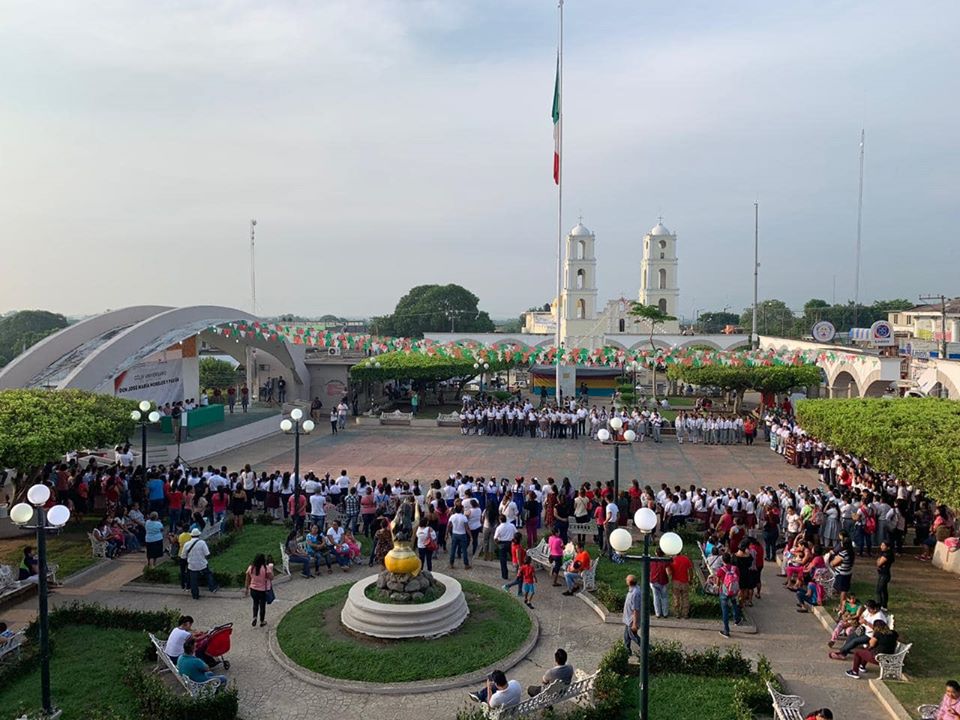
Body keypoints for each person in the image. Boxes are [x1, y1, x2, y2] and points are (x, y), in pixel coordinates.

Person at [182, 528, 218, 599]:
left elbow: (183, 556)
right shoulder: (202, 543)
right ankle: (212, 588)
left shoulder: (186, 544)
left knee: (194, 581)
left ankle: (195, 595)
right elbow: (207, 553)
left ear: (191, 535)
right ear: (198, 535)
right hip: (202, 564)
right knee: (208, 575)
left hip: (192, 565)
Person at [244, 553, 274, 627]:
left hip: (253, 589)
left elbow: (247, 579)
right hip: (262, 590)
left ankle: (254, 617)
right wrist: (271, 569)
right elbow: (271, 577)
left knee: (255, 603)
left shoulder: (251, 568)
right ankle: (262, 621)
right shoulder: (265, 568)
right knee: (262, 606)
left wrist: (246, 588)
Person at [717, 553, 742, 638]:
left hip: (724, 591)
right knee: (734, 603)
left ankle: (726, 630)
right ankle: (737, 619)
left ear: (723, 560)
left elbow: (718, 581)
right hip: (734, 590)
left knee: (725, 610)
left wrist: (718, 586)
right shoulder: (735, 568)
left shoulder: (721, 570)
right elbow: (738, 577)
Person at [668, 547, 693, 618]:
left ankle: (677, 613)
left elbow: (669, 572)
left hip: (675, 581)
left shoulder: (672, 560)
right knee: (685, 598)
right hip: (685, 581)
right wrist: (690, 579)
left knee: (676, 598)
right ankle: (685, 614)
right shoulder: (686, 559)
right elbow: (690, 570)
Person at [622, 575, 642, 655]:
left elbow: (635, 610)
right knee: (626, 636)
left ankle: (648, 648)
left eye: (626, 579)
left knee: (633, 636)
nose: (625, 580)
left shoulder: (635, 593)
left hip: (631, 620)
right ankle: (627, 650)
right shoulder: (633, 590)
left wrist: (635, 624)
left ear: (629, 582)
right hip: (628, 619)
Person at [494, 514, 517, 580]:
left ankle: (505, 575)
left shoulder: (499, 528)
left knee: (503, 560)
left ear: (500, 520)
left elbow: (495, 538)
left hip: (502, 543)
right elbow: (516, 533)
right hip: (511, 543)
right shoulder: (511, 525)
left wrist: (497, 543)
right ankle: (519, 570)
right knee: (514, 556)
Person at [649, 548, 670, 618]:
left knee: (656, 597)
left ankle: (657, 614)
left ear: (656, 553)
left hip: (653, 581)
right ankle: (665, 613)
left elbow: (649, 570)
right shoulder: (665, 561)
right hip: (663, 581)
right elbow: (668, 572)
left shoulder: (652, 560)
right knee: (664, 597)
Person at [875, 539, 895, 610]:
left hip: (884, 575)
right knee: (883, 590)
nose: (881, 546)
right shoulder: (884, 553)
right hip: (883, 574)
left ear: (888, 547)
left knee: (879, 590)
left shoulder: (887, 554)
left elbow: (879, 563)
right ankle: (884, 605)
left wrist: (878, 561)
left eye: (883, 545)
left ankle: (879, 606)